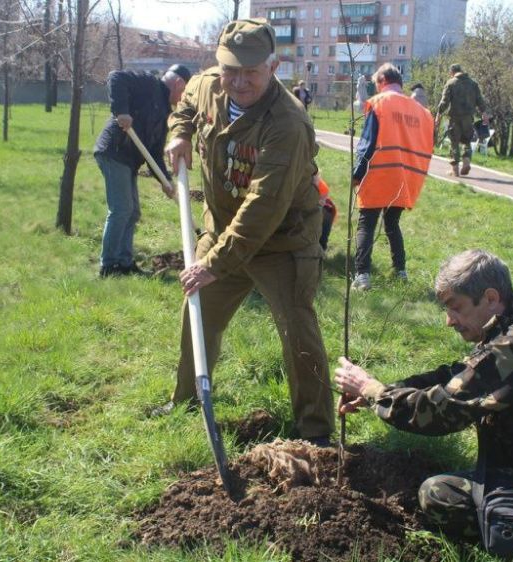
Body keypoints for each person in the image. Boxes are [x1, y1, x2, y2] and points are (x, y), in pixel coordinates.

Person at [335, 250, 513, 562]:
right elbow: (459, 376)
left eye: (455, 307)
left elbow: (438, 413)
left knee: (437, 495)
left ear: (489, 297)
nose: (449, 321)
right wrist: (384, 390)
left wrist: (370, 389)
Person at [158, 19, 335, 445]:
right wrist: (179, 134)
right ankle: (186, 401)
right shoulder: (207, 85)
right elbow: (184, 107)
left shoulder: (287, 123)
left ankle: (315, 432)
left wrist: (213, 263)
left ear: (273, 67)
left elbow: (264, 207)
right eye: (230, 70)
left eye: (250, 72)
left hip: (282, 241)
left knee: (298, 329)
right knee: (198, 313)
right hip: (221, 228)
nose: (238, 82)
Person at [93, 64, 189, 277]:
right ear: (178, 84)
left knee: (132, 211)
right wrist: (122, 111)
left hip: (129, 160)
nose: (183, 99)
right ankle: (108, 265)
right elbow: (115, 76)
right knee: (122, 209)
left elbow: (153, 153)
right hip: (114, 151)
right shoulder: (148, 83)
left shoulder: (165, 112)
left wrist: (165, 180)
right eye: (185, 93)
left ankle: (124, 263)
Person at [351, 63, 434, 291]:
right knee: (392, 224)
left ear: (381, 82)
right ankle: (400, 270)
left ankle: (362, 276)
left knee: (366, 224)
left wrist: (356, 174)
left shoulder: (378, 104)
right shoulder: (421, 112)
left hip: (379, 173)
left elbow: (367, 143)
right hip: (407, 179)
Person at [435, 63, 487, 177]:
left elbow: (444, 101)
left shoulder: (451, 83)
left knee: (454, 142)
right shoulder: (473, 84)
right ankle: (467, 160)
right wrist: (484, 113)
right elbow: (480, 100)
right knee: (467, 141)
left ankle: (455, 170)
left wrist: (438, 114)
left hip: (454, 117)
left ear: (452, 72)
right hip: (468, 118)